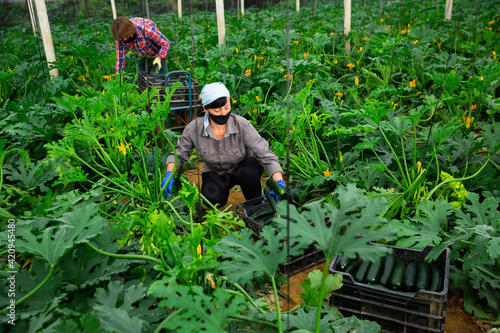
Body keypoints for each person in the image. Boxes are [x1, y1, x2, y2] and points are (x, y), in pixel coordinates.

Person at [161, 82, 285, 207]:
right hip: (216, 171)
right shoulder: (194, 128)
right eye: (217, 110)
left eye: (226, 107)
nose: (223, 113)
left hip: (243, 167)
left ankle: (255, 205)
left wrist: (278, 181)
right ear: (205, 109)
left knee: (249, 173)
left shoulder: (242, 125)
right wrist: (169, 175)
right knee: (211, 200)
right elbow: (178, 153)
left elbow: (265, 154)